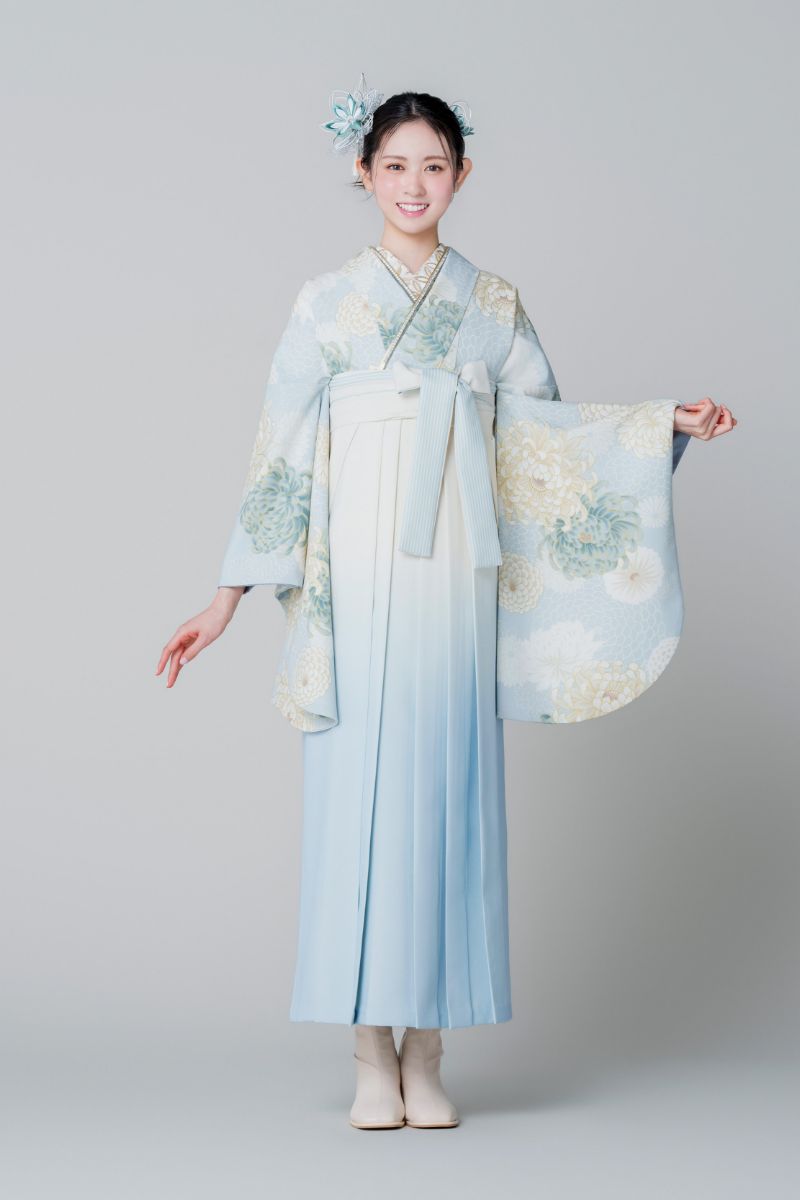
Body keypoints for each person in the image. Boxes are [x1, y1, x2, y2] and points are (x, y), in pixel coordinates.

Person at [156, 76, 737, 1131]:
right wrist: (227, 594)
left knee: (447, 792)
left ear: (462, 175)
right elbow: (281, 444)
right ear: (362, 172)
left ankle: (428, 1051)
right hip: (354, 567)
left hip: (457, 568)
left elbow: (546, 444)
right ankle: (367, 1052)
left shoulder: (492, 304)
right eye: (394, 166)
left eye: (434, 166)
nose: (414, 185)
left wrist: (660, 426)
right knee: (358, 798)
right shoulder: (326, 302)